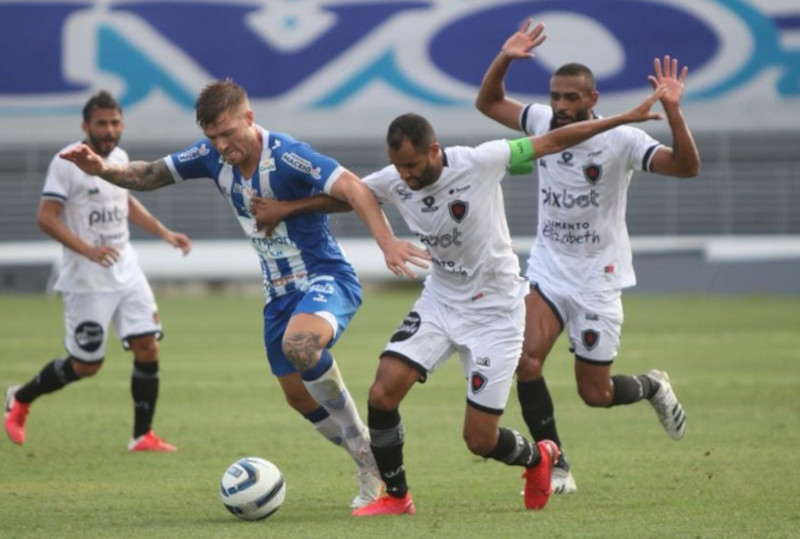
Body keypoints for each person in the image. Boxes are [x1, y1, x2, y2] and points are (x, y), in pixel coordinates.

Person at [249, 87, 669, 515]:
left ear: (434, 149)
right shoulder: (396, 179)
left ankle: (540, 458)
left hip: (498, 312)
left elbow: (555, 141)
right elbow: (346, 196)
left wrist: (622, 119)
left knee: (480, 440)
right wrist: (286, 209)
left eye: (412, 165)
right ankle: (397, 497)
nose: (405, 177)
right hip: (441, 300)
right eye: (398, 167)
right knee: (383, 390)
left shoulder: (481, 161)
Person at [58, 80, 429, 509]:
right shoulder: (212, 157)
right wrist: (103, 170)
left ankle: (365, 450)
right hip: (277, 295)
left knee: (301, 346)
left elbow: (353, 188)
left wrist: (386, 242)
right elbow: (151, 174)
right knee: (296, 396)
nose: (221, 145)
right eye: (212, 137)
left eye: (228, 133)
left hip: (324, 276)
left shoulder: (288, 155)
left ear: (249, 119)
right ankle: (363, 455)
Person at [474, 20, 700, 494]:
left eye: (571, 98)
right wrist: (505, 57)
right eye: (556, 96)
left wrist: (674, 112)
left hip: (599, 276)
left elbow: (685, 167)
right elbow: (488, 102)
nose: (560, 106)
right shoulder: (540, 122)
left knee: (595, 394)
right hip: (550, 269)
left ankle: (653, 386)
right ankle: (556, 465)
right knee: (526, 362)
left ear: (592, 100)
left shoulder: (622, 139)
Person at [4, 90, 192, 452]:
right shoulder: (67, 162)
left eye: (115, 122)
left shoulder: (119, 158)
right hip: (87, 279)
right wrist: (88, 250)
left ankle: (142, 436)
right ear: (85, 126)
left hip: (127, 270)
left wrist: (164, 232)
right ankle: (21, 397)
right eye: (102, 123)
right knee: (86, 365)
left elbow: (125, 201)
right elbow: (46, 218)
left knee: (147, 346)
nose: (109, 130)